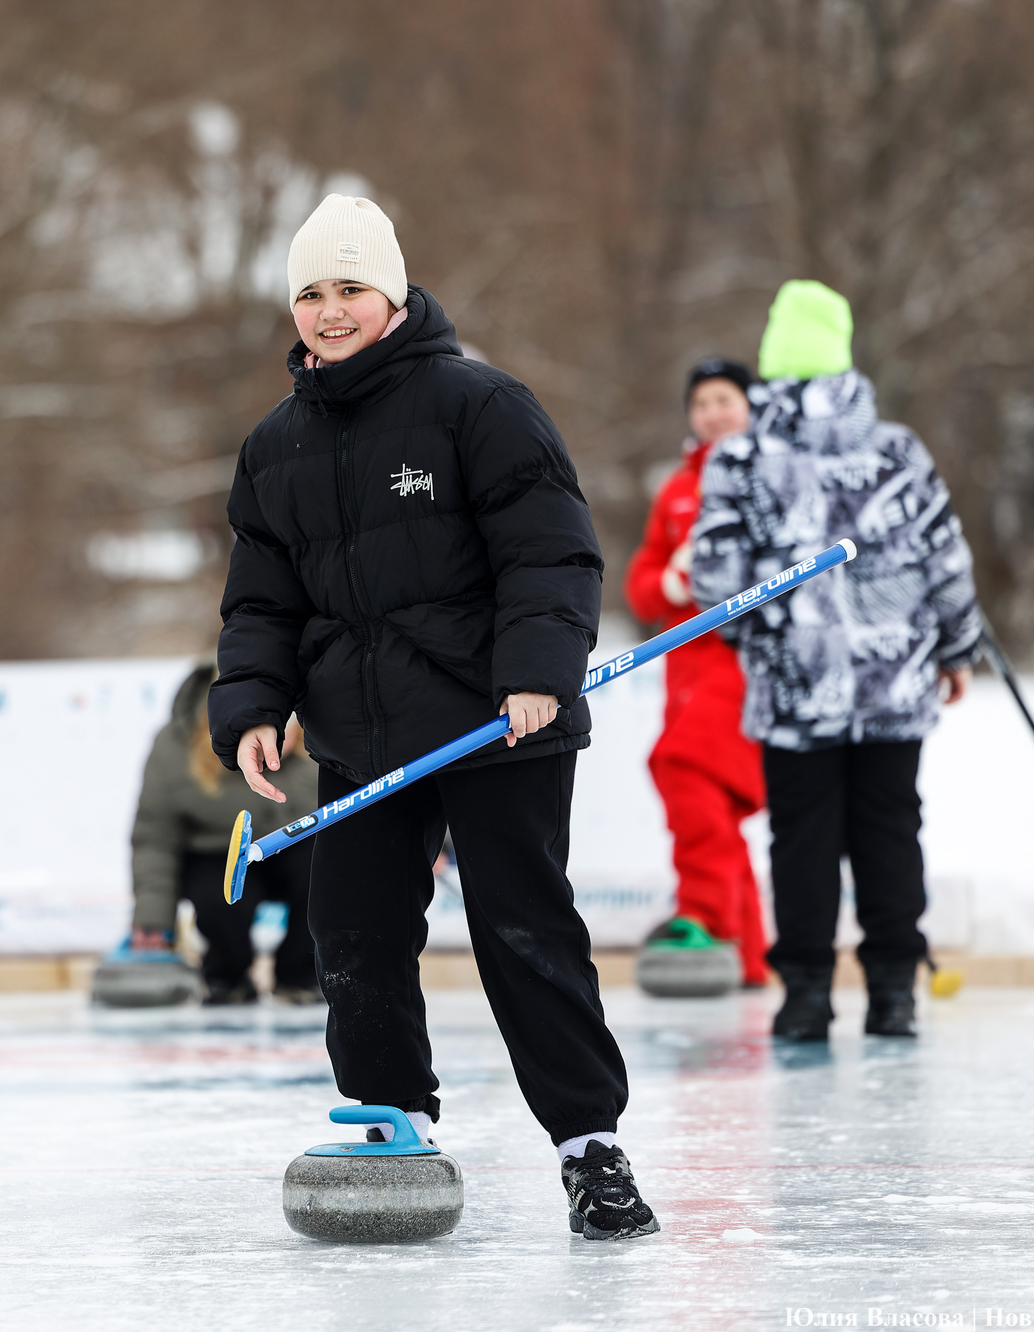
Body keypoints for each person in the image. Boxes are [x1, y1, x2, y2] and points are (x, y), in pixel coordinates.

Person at [210, 194, 657, 1240]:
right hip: (360, 736)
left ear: (394, 293)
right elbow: (261, 604)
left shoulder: (479, 405)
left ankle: (589, 1146)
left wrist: (537, 672)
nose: (329, 312)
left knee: (521, 928)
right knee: (351, 929)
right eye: (311, 294)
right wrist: (255, 707)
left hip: (498, 720)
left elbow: (549, 552)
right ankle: (389, 1119)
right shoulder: (273, 446)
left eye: (350, 289)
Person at [690, 280, 982, 1042]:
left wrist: (759, 634)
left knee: (802, 837)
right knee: (891, 830)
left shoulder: (740, 457)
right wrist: (957, 647)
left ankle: (807, 996)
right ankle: (893, 993)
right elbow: (947, 558)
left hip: (795, 684)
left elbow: (714, 580)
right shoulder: (898, 451)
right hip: (895, 680)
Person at [624, 357, 769, 988]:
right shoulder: (677, 489)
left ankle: (707, 917)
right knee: (714, 808)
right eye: (701, 402)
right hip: (684, 669)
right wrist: (672, 582)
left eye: (725, 399)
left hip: (742, 664)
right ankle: (752, 958)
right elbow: (640, 586)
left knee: (681, 767)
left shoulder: (772, 475)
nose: (712, 413)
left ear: (752, 406)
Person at [128, 661, 319, 1005]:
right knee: (218, 897)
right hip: (216, 850)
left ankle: (303, 975)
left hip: (291, 847)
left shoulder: (321, 745)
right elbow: (155, 837)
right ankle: (226, 976)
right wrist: (153, 918)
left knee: (324, 870)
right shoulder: (176, 748)